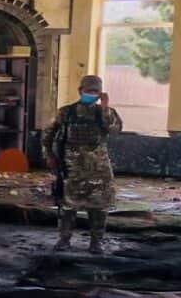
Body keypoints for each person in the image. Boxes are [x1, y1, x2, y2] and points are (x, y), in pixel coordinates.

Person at [42, 74, 123, 254]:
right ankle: (64, 240)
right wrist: (49, 156)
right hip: (72, 170)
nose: (91, 94)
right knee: (68, 207)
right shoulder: (66, 112)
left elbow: (115, 130)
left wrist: (105, 109)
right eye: (88, 91)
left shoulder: (105, 113)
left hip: (99, 170)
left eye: (96, 91)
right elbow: (47, 135)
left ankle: (96, 242)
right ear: (80, 91)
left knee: (99, 208)